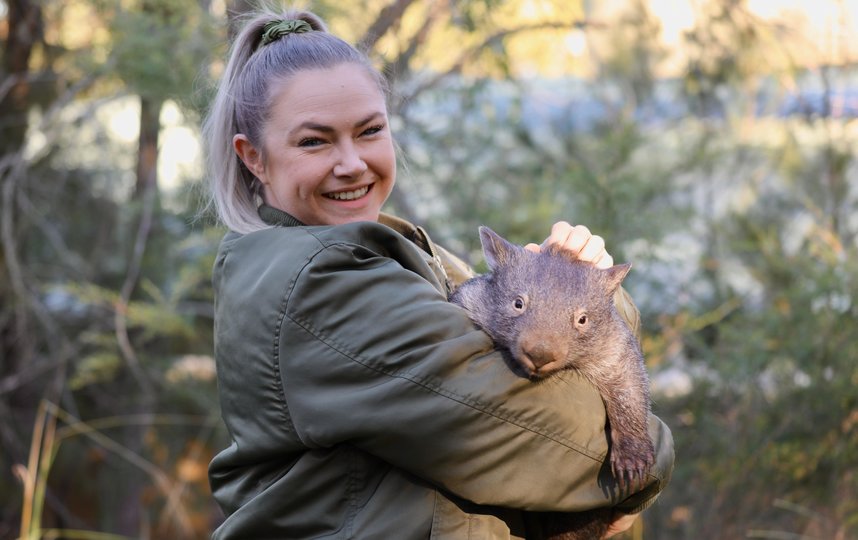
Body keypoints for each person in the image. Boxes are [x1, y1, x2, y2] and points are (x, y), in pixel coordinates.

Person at [202, 6, 673, 539]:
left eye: (369, 130)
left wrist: (578, 284)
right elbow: (545, 444)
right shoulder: (322, 284)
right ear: (254, 158)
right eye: (315, 141)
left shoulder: (399, 250)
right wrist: (642, 460)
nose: (352, 162)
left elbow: (569, 353)